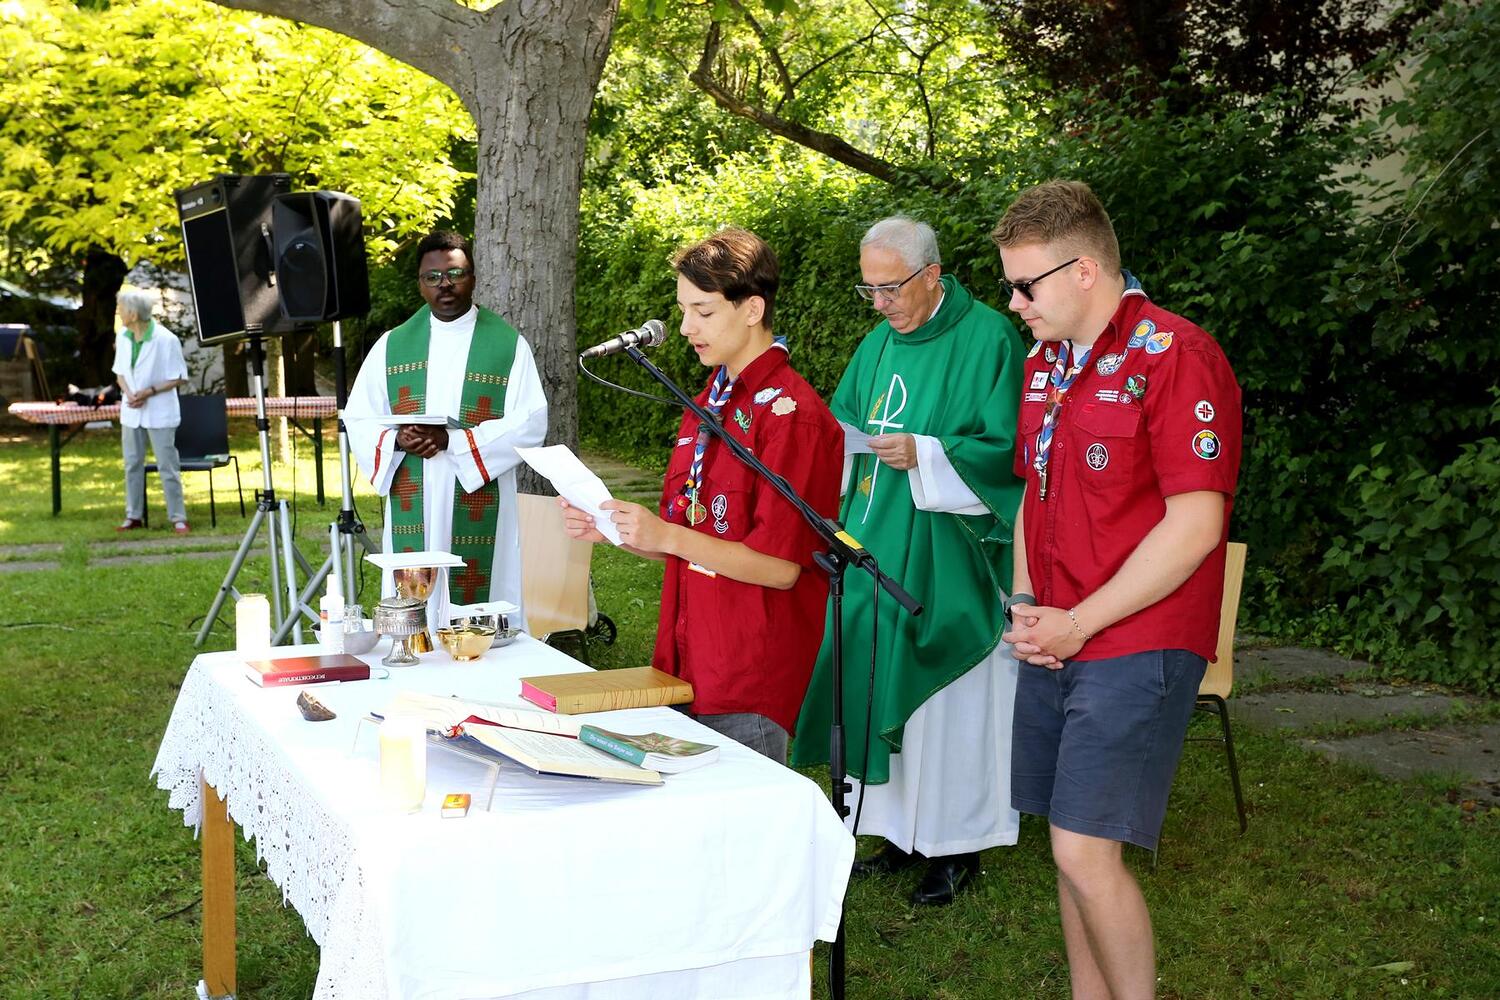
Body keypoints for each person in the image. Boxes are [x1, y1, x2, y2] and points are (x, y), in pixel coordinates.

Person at [995, 180, 1242, 999]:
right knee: (1069, 848)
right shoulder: (1045, 364)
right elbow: (1033, 491)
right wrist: (1027, 606)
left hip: (1136, 639)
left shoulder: (1176, 356)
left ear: (1084, 271)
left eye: (1025, 285)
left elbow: (1195, 525)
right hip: (1057, 633)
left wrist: (1079, 622)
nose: (1015, 303)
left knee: (1083, 848)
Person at [792, 216, 1026, 906]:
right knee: (875, 677)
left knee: (948, 702)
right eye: (869, 290)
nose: (880, 304)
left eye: (890, 288)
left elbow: (1009, 451)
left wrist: (927, 453)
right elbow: (843, 423)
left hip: (949, 551)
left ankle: (957, 847)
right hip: (878, 539)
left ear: (932, 275)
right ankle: (894, 833)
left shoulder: (989, 338)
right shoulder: (878, 342)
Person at [560, 228, 842, 763]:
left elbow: (781, 567)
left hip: (746, 672)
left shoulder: (792, 416)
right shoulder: (707, 404)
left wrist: (667, 535)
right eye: (683, 310)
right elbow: (690, 538)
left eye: (703, 311)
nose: (687, 327)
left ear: (753, 308)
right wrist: (616, 531)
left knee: (739, 810)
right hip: (684, 659)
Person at [345, 230, 548, 629]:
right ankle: (413, 647)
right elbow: (359, 418)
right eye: (433, 277)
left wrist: (454, 442)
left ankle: (482, 652)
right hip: (413, 491)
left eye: (455, 274)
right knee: (415, 604)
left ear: (472, 277)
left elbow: (530, 422)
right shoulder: (392, 345)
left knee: (479, 604)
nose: (445, 285)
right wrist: (397, 440)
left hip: (478, 491)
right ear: (420, 284)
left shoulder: (507, 345)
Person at [111, 287, 190, 534]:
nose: (119, 313)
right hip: (132, 410)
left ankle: (178, 517)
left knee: (167, 465)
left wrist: (148, 392)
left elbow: (178, 376)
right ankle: (133, 515)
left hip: (159, 410)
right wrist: (129, 393)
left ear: (133, 314)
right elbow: (119, 372)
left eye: (121, 309)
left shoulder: (166, 339)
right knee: (132, 464)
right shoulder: (123, 336)